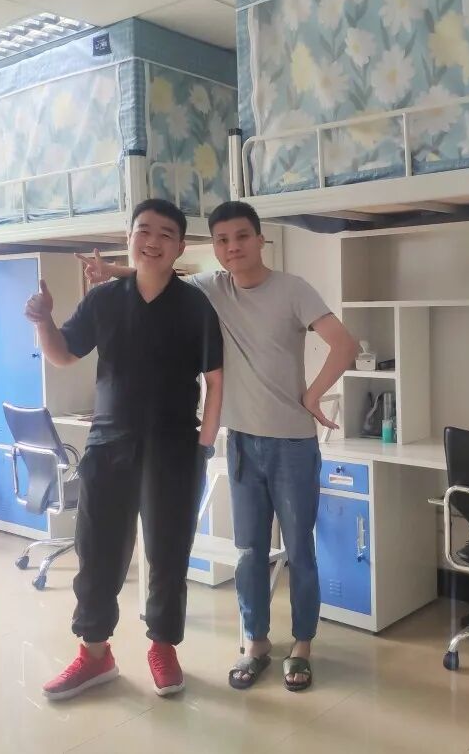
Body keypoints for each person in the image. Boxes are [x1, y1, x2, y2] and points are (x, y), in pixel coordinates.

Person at [81, 200, 358, 692]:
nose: (233, 248)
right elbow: (158, 272)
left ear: (260, 239)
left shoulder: (293, 289)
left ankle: (302, 646)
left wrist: (313, 395)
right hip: (242, 441)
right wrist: (112, 271)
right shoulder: (212, 289)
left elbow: (345, 344)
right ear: (214, 247)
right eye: (223, 240)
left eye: (242, 237)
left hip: (292, 442)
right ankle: (255, 643)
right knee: (250, 551)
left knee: (300, 550)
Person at [26, 199, 224, 700]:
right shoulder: (104, 300)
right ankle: (95, 654)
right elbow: (63, 354)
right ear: (129, 237)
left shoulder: (194, 305)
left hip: (174, 447)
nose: (152, 241)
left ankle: (163, 647)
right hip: (109, 443)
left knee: (168, 551)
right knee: (98, 549)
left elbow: (216, 381)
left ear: (179, 246)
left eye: (165, 234)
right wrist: (43, 321)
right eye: (143, 231)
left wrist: (203, 448)